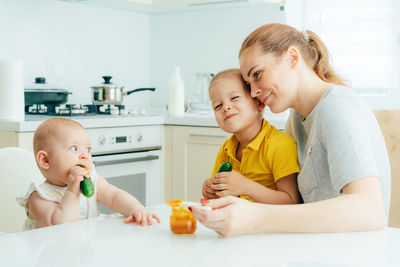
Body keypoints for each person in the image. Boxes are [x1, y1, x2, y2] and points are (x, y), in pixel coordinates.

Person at [190, 23, 391, 237]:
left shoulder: (337, 108)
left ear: (292, 58)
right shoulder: (297, 118)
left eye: (257, 74)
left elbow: (370, 211)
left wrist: (255, 216)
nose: (255, 92)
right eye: (249, 84)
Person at [17, 117, 160, 230]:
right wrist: (72, 192)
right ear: (45, 160)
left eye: (88, 149)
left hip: (83, 252)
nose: (84, 156)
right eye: (74, 148)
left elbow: (114, 196)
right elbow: (60, 227)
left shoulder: (92, 180)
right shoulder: (39, 198)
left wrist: (137, 209)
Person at [202, 68, 300, 204]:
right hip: (240, 222)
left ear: (259, 102)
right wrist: (212, 192)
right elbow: (223, 196)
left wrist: (246, 187)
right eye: (218, 106)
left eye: (234, 98)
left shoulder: (280, 145)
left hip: (269, 223)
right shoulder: (226, 149)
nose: (226, 107)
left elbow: (291, 201)